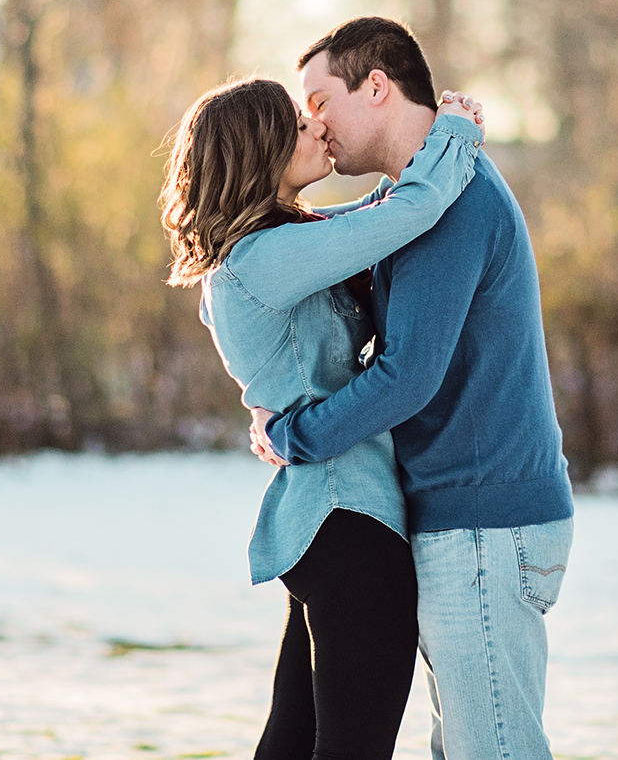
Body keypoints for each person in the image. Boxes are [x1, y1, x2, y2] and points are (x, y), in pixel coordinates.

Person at [250, 17, 573, 760]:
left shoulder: (449, 206)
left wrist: (294, 434)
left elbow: (409, 378)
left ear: (376, 86)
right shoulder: (415, 200)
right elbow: (327, 240)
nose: (315, 124)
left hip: (486, 522)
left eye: (321, 100)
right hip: (469, 520)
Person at [159, 74, 487, 760]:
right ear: (261, 150)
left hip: (325, 528)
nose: (315, 128)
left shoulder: (264, 253)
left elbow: (376, 209)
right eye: (296, 124)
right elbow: (408, 213)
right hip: (349, 527)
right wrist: (453, 130)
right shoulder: (267, 261)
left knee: (292, 744)